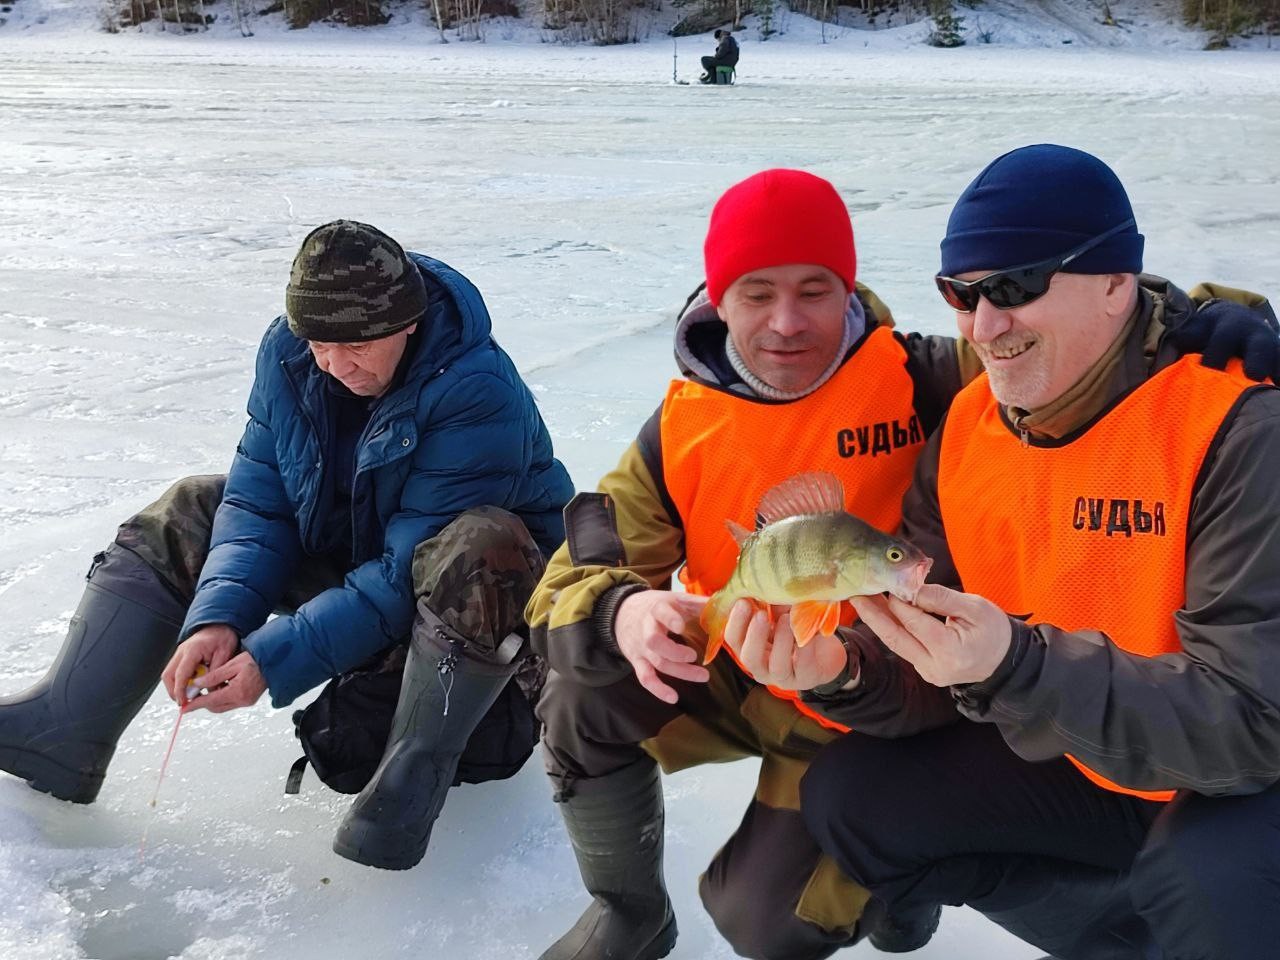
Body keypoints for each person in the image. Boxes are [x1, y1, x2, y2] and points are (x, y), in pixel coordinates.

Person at [780, 145, 1280, 960]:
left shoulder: (1238, 430)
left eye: (1014, 287)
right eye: (961, 294)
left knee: (1208, 879)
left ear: (1117, 283)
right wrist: (847, 670)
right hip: (1087, 750)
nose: (984, 327)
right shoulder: (971, 426)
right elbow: (938, 648)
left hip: (1235, 778)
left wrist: (1018, 667)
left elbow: (1256, 723)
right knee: (853, 799)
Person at [0, 220, 574, 874]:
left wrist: (273, 659)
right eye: (318, 343)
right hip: (374, 574)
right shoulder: (288, 356)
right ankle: (63, 734)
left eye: (354, 345)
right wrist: (217, 619)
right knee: (192, 510)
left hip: (488, 633)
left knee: (481, 545)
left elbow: (405, 571)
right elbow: (259, 503)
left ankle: (410, 785)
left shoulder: (476, 391)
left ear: (408, 322)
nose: (333, 365)